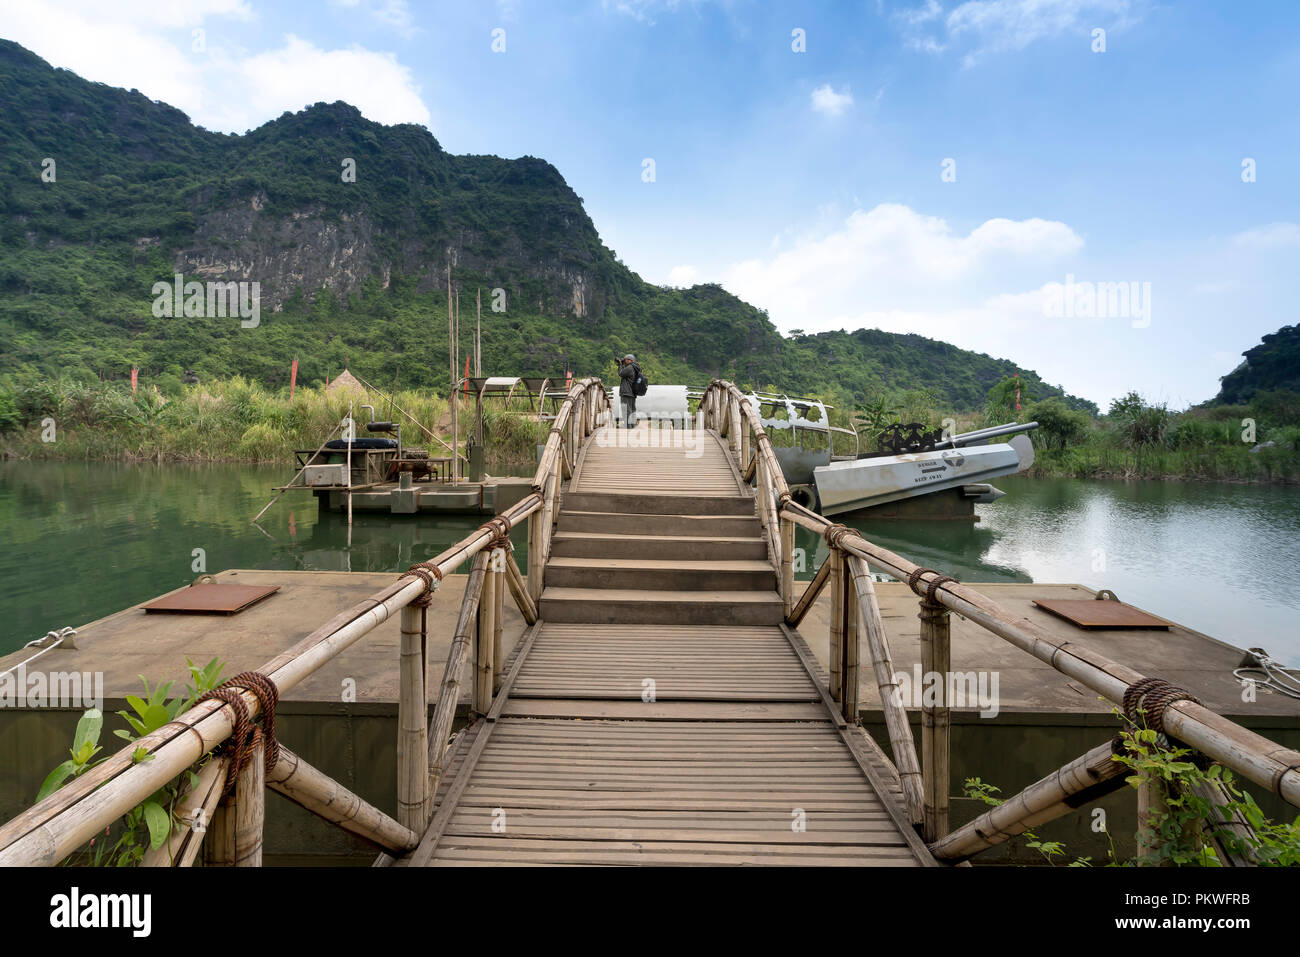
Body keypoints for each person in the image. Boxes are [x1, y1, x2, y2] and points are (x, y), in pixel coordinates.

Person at [617, 354, 641, 428]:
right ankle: (632, 426)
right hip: (632, 392)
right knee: (632, 410)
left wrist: (620, 365)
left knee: (626, 410)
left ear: (630, 360)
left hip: (626, 392)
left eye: (626, 359)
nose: (625, 360)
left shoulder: (630, 367)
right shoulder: (635, 367)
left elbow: (621, 373)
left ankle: (628, 427)